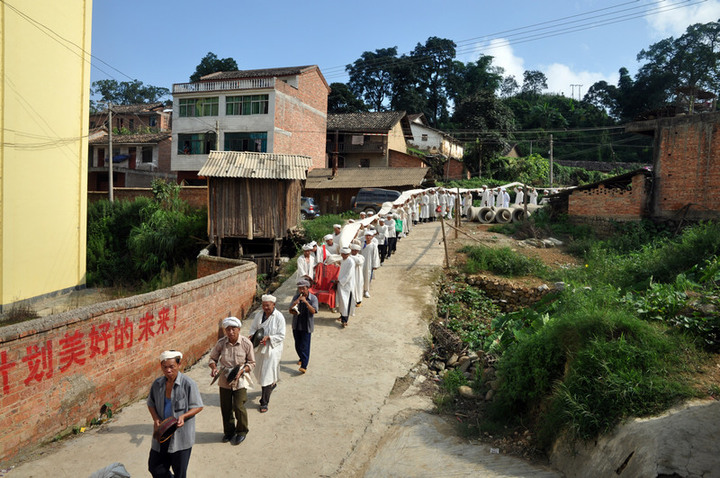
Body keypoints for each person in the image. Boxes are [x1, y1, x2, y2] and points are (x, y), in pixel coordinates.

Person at [147, 350, 203, 477]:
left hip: (181, 438)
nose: (168, 370)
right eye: (164, 367)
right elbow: (151, 403)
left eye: (172, 366)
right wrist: (155, 418)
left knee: (180, 472)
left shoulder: (188, 384)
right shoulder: (157, 384)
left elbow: (198, 406)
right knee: (155, 467)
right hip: (161, 434)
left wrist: (183, 416)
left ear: (179, 365)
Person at [209, 317, 255, 446]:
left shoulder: (246, 343)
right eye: (228, 329)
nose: (230, 332)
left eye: (233, 329)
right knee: (226, 407)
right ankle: (229, 432)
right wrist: (214, 369)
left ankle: (241, 432)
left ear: (239, 329)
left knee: (239, 406)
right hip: (224, 379)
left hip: (240, 380)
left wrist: (242, 371)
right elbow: (212, 359)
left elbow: (252, 363)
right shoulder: (221, 343)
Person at [248, 295, 285, 413]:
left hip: (272, 349)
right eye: (264, 305)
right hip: (260, 347)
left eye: (267, 305)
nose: (265, 307)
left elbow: (281, 335)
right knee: (259, 371)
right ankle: (271, 385)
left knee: (266, 374)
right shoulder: (259, 315)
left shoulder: (279, 317)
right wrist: (252, 336)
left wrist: (269, 337)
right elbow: (253, 328)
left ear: (273, 305)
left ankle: (264, 402)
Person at [289, 279, 318, 374]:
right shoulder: (295, 297)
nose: (301, 291)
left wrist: (306, 302)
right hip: (296, 325)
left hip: (306, 326)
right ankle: (301, 357)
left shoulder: (313, 298)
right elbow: (290, 311)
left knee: (305, 346)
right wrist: (294, 304)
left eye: (303, 288)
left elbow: (313, 311)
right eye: (299, 288)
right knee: (298, 345)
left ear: (307, 288)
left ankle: (304, 366)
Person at [335, 247, 356, 328]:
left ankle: (345, 320)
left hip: (347, 285)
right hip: (341, 284)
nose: (344, 255)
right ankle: (342, 315)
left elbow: (349, 275)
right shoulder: (343, 261)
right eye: (343, 254)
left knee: (346, 302)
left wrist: (340, 281)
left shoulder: (351, 261)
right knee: (341, 301)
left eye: (346, 254)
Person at [360, 230, 380, 298]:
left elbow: (375, 255)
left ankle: (366, 291)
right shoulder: (362, 244)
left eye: (369, 236)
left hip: (369, 264)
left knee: (367, 277)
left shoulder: (373, 245)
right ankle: (360, 290)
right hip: (361, 264)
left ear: (372, 237)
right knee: (360, 277)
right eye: (367, 236)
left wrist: (375, 265)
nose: (368, 237)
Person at [350, 243, 365, 310]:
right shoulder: (348, 256)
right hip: (350, 275)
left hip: (358, 275)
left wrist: (348, 256)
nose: (354, 252)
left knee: (358, 287)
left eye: (355, 250)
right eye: (353, 250)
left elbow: (358, 261)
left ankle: (358, 301)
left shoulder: (360, 257)